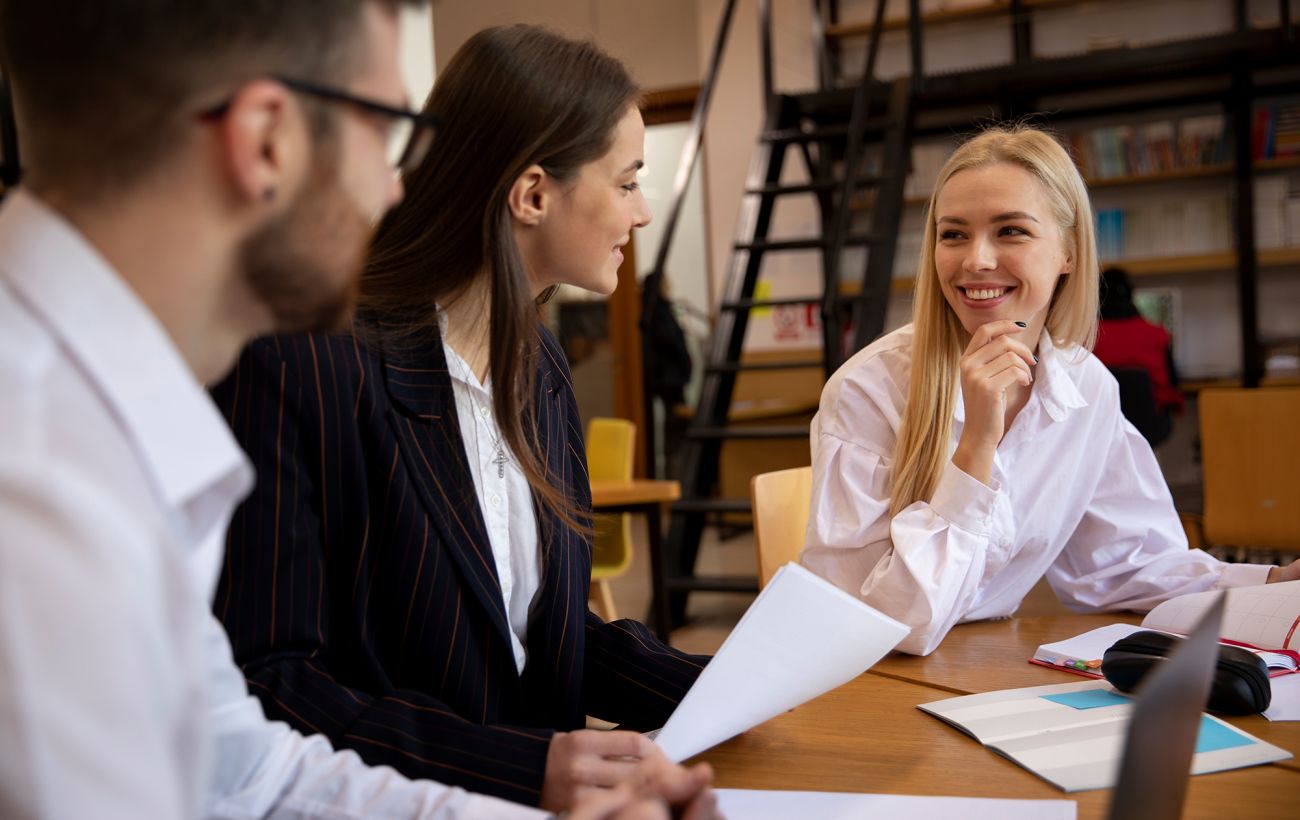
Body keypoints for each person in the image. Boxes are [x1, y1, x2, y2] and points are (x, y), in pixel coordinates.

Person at [0, 3, 714, 818]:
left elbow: (250, 768)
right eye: (385, 130)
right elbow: (269, 694)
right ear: (268, 141)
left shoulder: (111, 412)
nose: (398, 183)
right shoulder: (39, 474)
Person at [209, 24, 711, 814]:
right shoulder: (304, 363)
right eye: (626, 182)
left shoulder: (540, 368)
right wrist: (517, 768)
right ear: (534, 193)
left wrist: (728, 688)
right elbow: (270, 681)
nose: (642, 212)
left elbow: (537, 634)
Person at [800, 125, 1300, 657]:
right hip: (864, 678)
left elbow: (1122, 563)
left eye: (1011, 230)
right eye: (953, 234)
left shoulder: (1086, 386)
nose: (976, 260)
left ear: (1068, 252)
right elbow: (875, 623)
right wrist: (976, 449)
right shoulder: (868, 389)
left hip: (972, 664)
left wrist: (1275, 579)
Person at [1093, 266, 1183, 446]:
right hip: (1150, 426)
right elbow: (1173, 384)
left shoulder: (1086, 339)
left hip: (1100, 428)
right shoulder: (1157, 334)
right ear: (1132, 295)